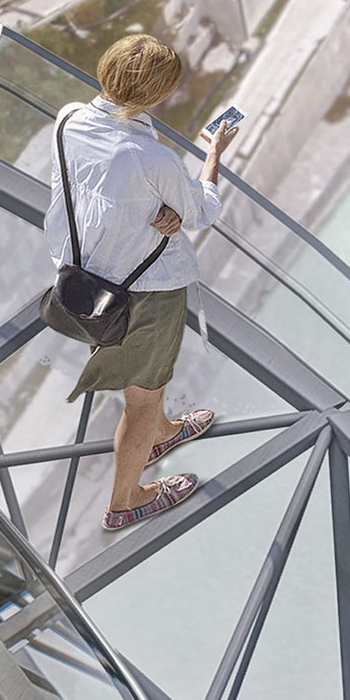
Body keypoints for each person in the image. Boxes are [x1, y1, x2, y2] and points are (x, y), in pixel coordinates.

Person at [45, 33, 236, 532]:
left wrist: (158, 208)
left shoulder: (68, 119)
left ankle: (162, 433)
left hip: (87, 275)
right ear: (155, 97)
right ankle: (126, 500)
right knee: (143, 396)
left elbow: (102, 189)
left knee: (150, 376)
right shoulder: (153, 160)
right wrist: (213, 155)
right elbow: (202, 211)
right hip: (144, 292)